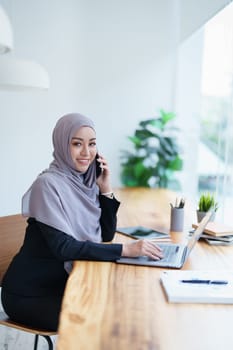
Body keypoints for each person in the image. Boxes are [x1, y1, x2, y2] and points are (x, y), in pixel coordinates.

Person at [1, 113, 163, 331]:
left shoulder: (86, 183)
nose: (87, 152)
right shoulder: (47, 185)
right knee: (104, 320)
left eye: (92, 144)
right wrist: (126, 249)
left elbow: (105, 235)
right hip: (31, 294)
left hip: (68, 284)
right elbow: (64, 247)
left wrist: (105, 189)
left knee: (128, 306)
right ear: (61, 144)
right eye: (77, 144)